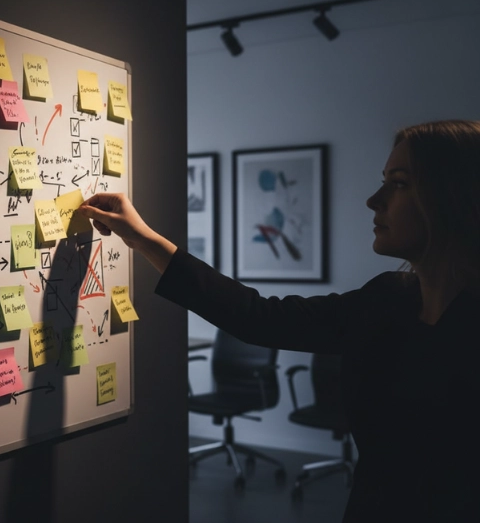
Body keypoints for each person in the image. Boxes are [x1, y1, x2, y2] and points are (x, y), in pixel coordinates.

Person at [78, 119, 480, 523]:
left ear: (452, 197)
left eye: (400, 183)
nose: (374, 200)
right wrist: (143, 237)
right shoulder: (388, 299)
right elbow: (259, 317)